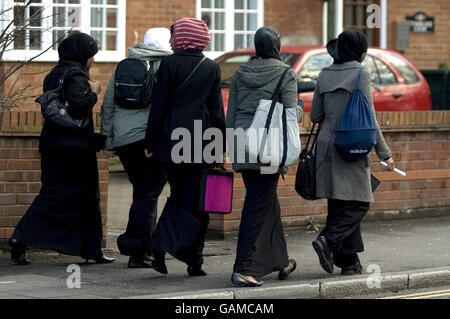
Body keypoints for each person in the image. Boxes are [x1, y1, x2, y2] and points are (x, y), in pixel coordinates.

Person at [9, 32, 114, 265]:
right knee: (87, 199)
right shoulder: (76, 76)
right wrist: (95, 92)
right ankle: (91, 249)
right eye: (91, 55)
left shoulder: (54, 74)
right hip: (75, 152)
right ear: (82, 55)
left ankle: (21, 239)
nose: (93, 61)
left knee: (52, 196)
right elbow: (78, 107)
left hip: (53, 147)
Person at [143, 18, 225, 276]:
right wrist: (220, 145)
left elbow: (158, 107)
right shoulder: (211, 67)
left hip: (171, 140)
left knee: (180, 194)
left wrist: (150, 142)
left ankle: (163, 246)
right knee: (199, 200)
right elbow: (216, 110)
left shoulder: (168, 64)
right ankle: (193, 260)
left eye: (173, 35)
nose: (170, 41)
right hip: (201, 140)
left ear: (182, 38)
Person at [310, 30, 395, 276]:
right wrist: (385, 153)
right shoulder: (361, 72)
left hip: (328, 146)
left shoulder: (324, 74)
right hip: (352, 144)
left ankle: (349, 262)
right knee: (359, 203)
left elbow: (315, 115)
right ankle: (326, 239)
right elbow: (369, 118)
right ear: (358, 51)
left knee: (339, 205)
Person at [226, 26, 300, 287]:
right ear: (276, 46)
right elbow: (291, 115)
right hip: (269, 149)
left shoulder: (239, 74)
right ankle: (243, 267)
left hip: (245, 146)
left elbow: (231, 115)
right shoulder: (285, 73)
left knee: (268, 204)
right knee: (257, 206)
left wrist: (234, 152)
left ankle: (282, 260)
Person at [100, 28, 172, 269]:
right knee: (148, 194)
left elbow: (108, 103)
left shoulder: (125, 63)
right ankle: (135, 246)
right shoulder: (166, 66)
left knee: (143, 191)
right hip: (148, 140)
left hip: (124, 140)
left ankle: (140, 250)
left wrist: (108, 140)